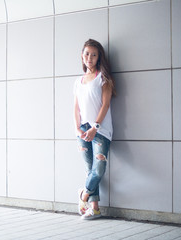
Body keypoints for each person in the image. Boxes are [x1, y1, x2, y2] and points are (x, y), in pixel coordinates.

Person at [73, 39, 115, 220]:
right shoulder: (78, 81)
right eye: (87, 53)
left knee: (99, 169)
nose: (89, 57)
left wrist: (94, 127)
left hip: (100, 130)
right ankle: (95, 209)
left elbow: (105, 105)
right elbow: (76, 108)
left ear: (99, 58)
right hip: (82, 129)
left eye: (94, 54)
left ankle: (84, 194)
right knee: (89, 168)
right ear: (82, 56)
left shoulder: (103, 78)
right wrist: (77, 128)